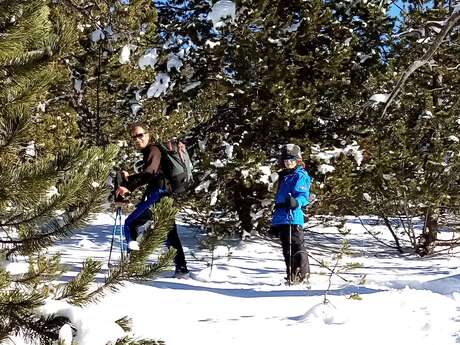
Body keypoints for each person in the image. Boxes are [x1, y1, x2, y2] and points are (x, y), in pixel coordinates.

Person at [115, 123, 189, 278]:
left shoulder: (153, 149)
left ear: (148, 135)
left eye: (140, 135)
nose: (137, 139)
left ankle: (131, 264)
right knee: (169, 231)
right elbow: (153, 175)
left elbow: (149, 173)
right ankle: (181, 269)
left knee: (131, 223)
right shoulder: (154, 151)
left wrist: (127, 185)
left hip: (159, 195)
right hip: (166, 195)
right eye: (134, 137)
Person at [270, 144, 311, 284]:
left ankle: (302, 275)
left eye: (292, 159)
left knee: (297, 246)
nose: (289, 162)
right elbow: (278, 200)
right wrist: (275, 222)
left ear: (298, 160)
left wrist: (296, 202)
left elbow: (303, 195)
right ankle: (291, 275)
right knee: (286, 249)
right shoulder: (283, 176)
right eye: (286, 159)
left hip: (293, 216)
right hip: (282, 217)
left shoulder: (300, 175)